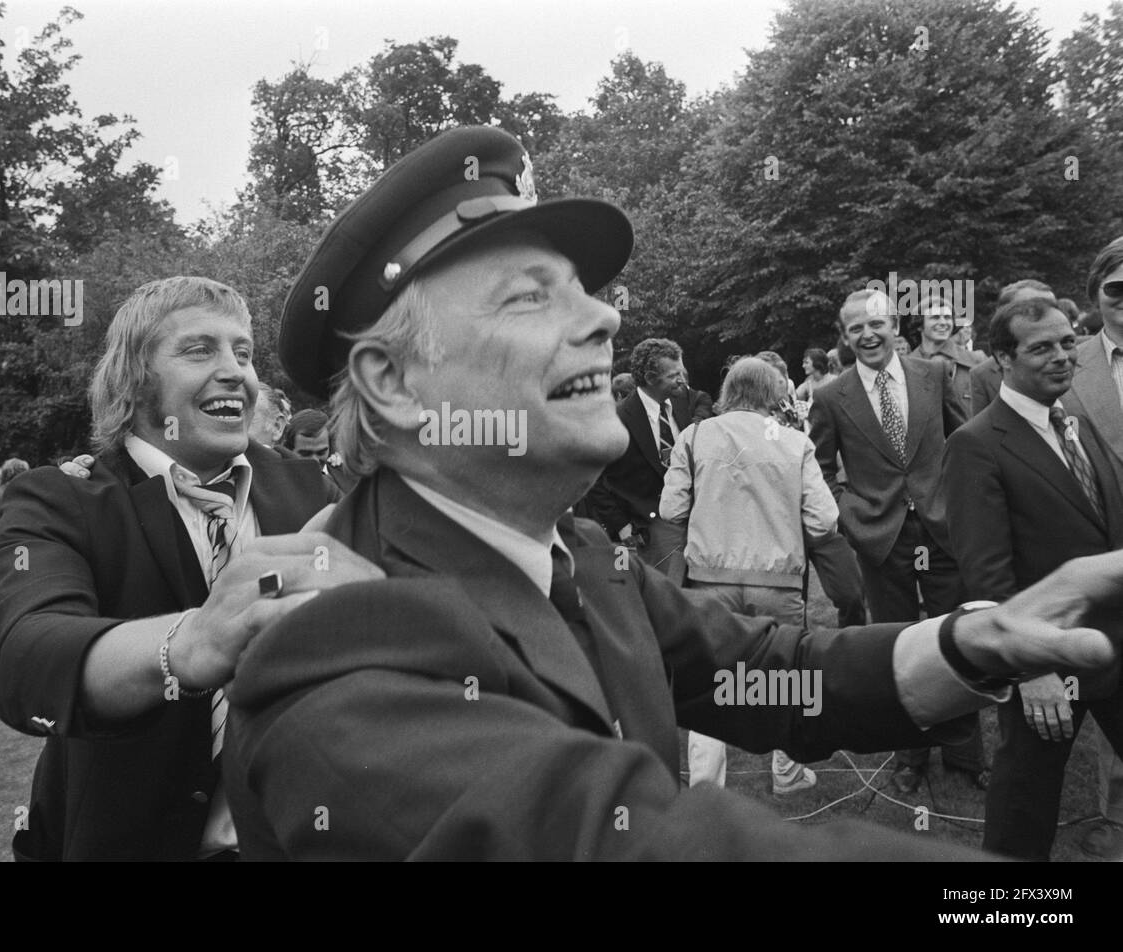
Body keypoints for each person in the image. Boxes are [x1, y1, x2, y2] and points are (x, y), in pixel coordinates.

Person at [222, 125, 1122, 861]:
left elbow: (771, 676)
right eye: (531, 299)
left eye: (586, 291)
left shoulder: (586, 559)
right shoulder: (332, 623)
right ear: (394, 384)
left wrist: (971, 640)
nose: (606, 317)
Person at [0, 275, 365, 861]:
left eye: (244, 352)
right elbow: (22, 653)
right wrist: (189, 643)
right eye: (199, 349)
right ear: (135, 378)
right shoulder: (59, 500)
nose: (235, 370)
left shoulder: (310, 488)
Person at [942, 296, 1123, 860]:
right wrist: (1031, 670)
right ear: (1002, 357)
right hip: (1044, 662)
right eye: (1041, 348)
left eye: (1068, 343)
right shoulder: (975, 445)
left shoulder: (1078, 423)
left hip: (1115, 645)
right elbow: (985, 571)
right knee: (1024, 812)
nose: (1062, 357)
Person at [808, 290, 987, 795]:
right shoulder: (830, 396)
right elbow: (819, 471)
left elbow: (965, 442)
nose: (868, 335)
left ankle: (964, 752)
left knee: (958, 636)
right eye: (855, 329)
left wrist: (961, 503)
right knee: (896, 645)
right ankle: (910, 754)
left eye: (876, 325)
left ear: (893, 325)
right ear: (844, 337)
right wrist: (851, 517)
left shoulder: (932, 375)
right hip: (880, 540)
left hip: (942, 528)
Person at [659, 357, 842, 795]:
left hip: (709, 579)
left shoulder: (696, 435)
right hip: (776, 580)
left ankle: (706, 790)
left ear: (729, 392)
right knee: (783, 678)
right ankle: (787, 773)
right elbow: (824, 520)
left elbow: (671, 510)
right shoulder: (793, 442)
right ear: (771, 395)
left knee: (710, 682)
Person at [1061, 235, 1123, 860]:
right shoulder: (1065, 363)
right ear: (1096, 295)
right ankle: (1113, 824)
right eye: (1116, 290)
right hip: (1096, 559)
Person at [585, 337, 713, 563]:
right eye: (673, 376)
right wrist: (622, 526)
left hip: (698, 523)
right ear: (650, 378)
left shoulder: (684, 400)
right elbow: (594, 478)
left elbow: (704, 399)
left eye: (682, 372)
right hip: (649, 530)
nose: (682, 381)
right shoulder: (616, 420)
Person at [969, 280, 1058, 416]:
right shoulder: (983, 375)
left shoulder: (1080, 360)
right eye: (1032, 310)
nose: (1046, 316)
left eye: (1052, 308)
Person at [910, 294, 986, 414]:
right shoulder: (907, 366)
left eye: (947, 317)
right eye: (935, 317)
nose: (943, 322)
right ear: (920, 325)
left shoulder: (976, 361)